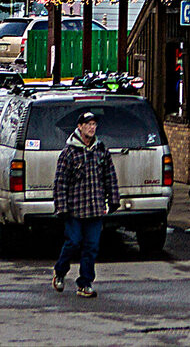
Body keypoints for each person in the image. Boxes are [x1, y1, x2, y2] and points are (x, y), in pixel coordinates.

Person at [52, 110, 120, 297]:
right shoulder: (69, 153)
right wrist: (62, 207)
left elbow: (110, 177)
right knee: (73, 242)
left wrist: (113, 199)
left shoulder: (101, 150)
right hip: (74, 209)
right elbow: (60, 182)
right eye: (88, 124)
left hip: (96, 208)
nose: (92, 127)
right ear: (79, 127)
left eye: (94, 124)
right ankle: (60, 271)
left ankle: (85, 282)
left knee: (92, 246)